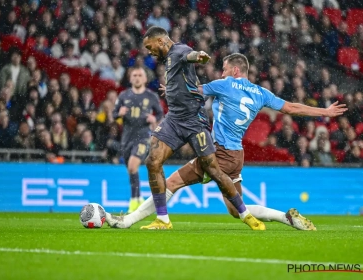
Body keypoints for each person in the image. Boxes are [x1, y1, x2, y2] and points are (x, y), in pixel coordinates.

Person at [106, 53, 347, 230]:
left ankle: (127, 221)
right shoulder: (261, 92)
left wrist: (170, 90)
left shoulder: (225, 84)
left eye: (223, 69)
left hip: (219, 152)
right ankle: (287, 218)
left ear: (234, 71)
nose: (221, 73)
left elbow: (195, 91)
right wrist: (324, 112)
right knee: (235, 209)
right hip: (236, 156)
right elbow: (292, 108)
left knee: (171, 182)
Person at [140, 27, 264, 230]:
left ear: (161, 41)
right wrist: (171, 88)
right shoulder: (168, 59)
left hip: (194, 121)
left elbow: (189, 56)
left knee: (213, 169)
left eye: (150, 46)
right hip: (174, 119)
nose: (149, 51)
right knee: (152, 161)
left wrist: (199, 56)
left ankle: (245, 214)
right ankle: (163, 219)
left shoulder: (179, 51)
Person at [112, 67, 163, 213]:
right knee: (130, 169)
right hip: (126, 138)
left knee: (133, 166)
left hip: (143, 136)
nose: (137, 77)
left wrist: (154, 118)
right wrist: (118, 113)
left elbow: (160, 114)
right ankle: (139, 197)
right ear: (130, 78)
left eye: (140, 75)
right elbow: (114, 114)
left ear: (145, 79)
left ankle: (134, 201)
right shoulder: (123, 95)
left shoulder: (151, 96)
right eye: (134, 75)